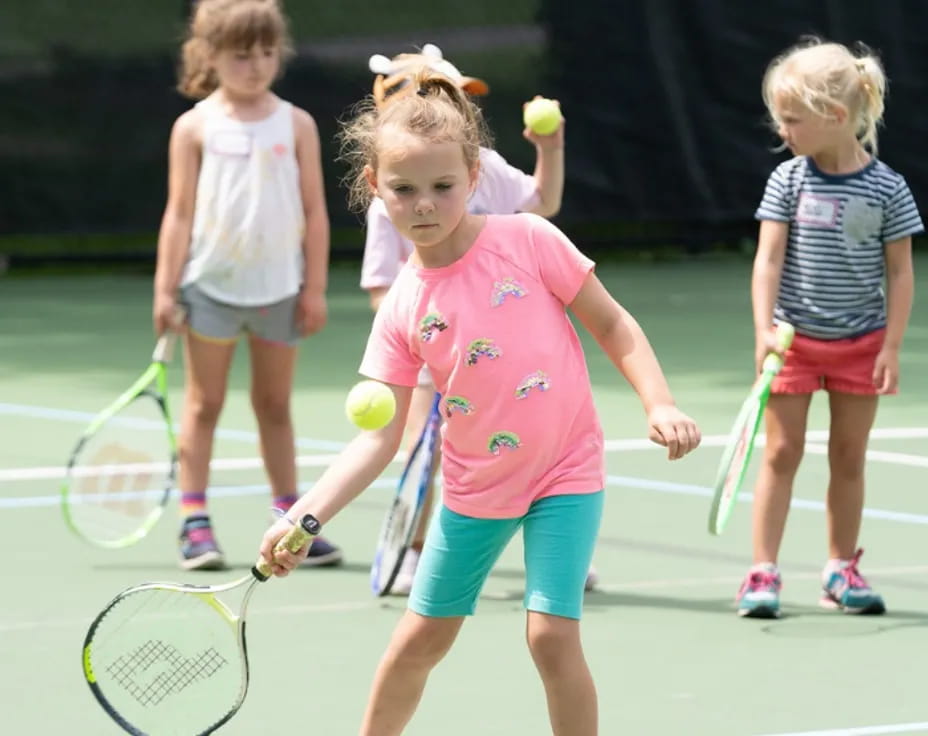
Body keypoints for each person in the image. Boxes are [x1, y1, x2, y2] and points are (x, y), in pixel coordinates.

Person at [260, 70, 700, 735]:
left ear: (472, 175)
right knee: (418, 643)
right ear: (375, 189)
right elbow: (379, 439)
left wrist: (658, 402)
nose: (426, 205)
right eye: (404, 190)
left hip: (565, 470)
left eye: (442, 187)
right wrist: (306, 517)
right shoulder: (402, 308)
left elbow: (611, 323)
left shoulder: (529, 241)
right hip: (474, 491)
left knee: (551, 636)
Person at [360, 44, 602, 593]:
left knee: (528, 442)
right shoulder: (389, 202)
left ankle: (556, 550)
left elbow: (543, 201)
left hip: (503, 347)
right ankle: (418, 549)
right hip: (429, 351)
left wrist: (551, 146)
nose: (453, 108)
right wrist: (419, 351)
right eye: (438, 95)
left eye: (458, 98)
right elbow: (383, 290)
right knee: (435, 455)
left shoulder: (484, 169)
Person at [736, 38, 922, 618]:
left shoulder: (888, 188)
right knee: (781, 453)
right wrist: (765, 329)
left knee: (848, 456)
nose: (781, 129)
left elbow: (900, 272)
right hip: (792, 344)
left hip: (861, 347)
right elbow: (767, 260)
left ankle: (841, 568)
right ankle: (762, 572)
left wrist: (891, 345)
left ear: (835, 118)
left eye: (792, 119)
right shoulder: (787, 181)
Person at [153, 0, 341, 570]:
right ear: (211, 55)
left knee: (275, 406)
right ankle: (195, 524)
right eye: (241, 55)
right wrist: (166, 288)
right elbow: (179, 213)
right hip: (209, 291)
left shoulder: (298, 123)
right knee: (203, 404)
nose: (256, 65)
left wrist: (313, 288)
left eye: (266, 52)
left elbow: (315, 210)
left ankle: (288, 521)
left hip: (280, 291)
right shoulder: (193, 127)